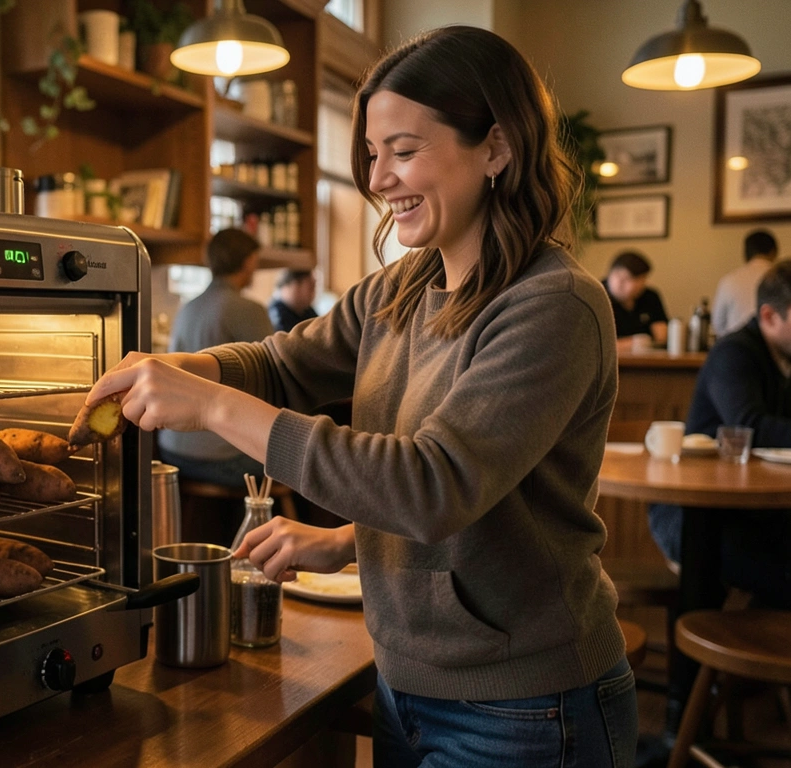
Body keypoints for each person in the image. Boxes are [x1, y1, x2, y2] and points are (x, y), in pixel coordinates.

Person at [87, 26, 635, 768]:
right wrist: (190, 367)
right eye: (373, 154)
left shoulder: (554, 305)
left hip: (528, 707)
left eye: (403, 151)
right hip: (403, 682)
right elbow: (282, 365)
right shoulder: (399, 289)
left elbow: (434, 486)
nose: (378, 180)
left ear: (497, 148)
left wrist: (211, 406)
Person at [648, 260, 791, 609]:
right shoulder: (734, 354)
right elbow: (749, 426)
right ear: (770, 316)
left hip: (754, 510)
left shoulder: (784, 358)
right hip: (694, 515)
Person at [157, 228, 275, 486]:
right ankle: (256, 512)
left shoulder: (187, 308)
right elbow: (276, 376)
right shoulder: (249, 310)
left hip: (172, 448)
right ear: (249, 261)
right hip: (221, 457)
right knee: (295, 460)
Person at [711, 229, 778, 338]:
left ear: (746, 253)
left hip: (736, 344)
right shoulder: (782, 279)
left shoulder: (729, 280)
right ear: (773, 251)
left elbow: (718, 324)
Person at [604, 250, 668, 350]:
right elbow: (595, 344)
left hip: (649, 358)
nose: (631, 286)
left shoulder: (650, 297)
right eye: (625, 279)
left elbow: (662, 337)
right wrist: (632, 343)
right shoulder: (598, 295)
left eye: (638, 280)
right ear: (612, 275)